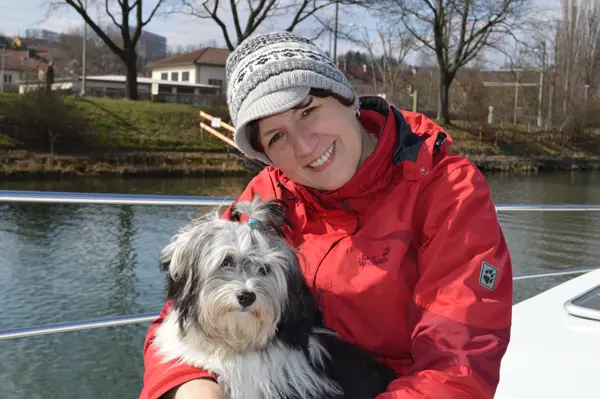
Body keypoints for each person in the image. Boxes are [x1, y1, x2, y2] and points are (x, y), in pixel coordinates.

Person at [140, 31, 512, 399]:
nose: (304, 145)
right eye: (277, 137)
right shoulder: (268, 196)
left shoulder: (446, 190)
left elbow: (457, 363)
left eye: (308, 111)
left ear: (348, 98)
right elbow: (187, 303)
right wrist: (192, 385)